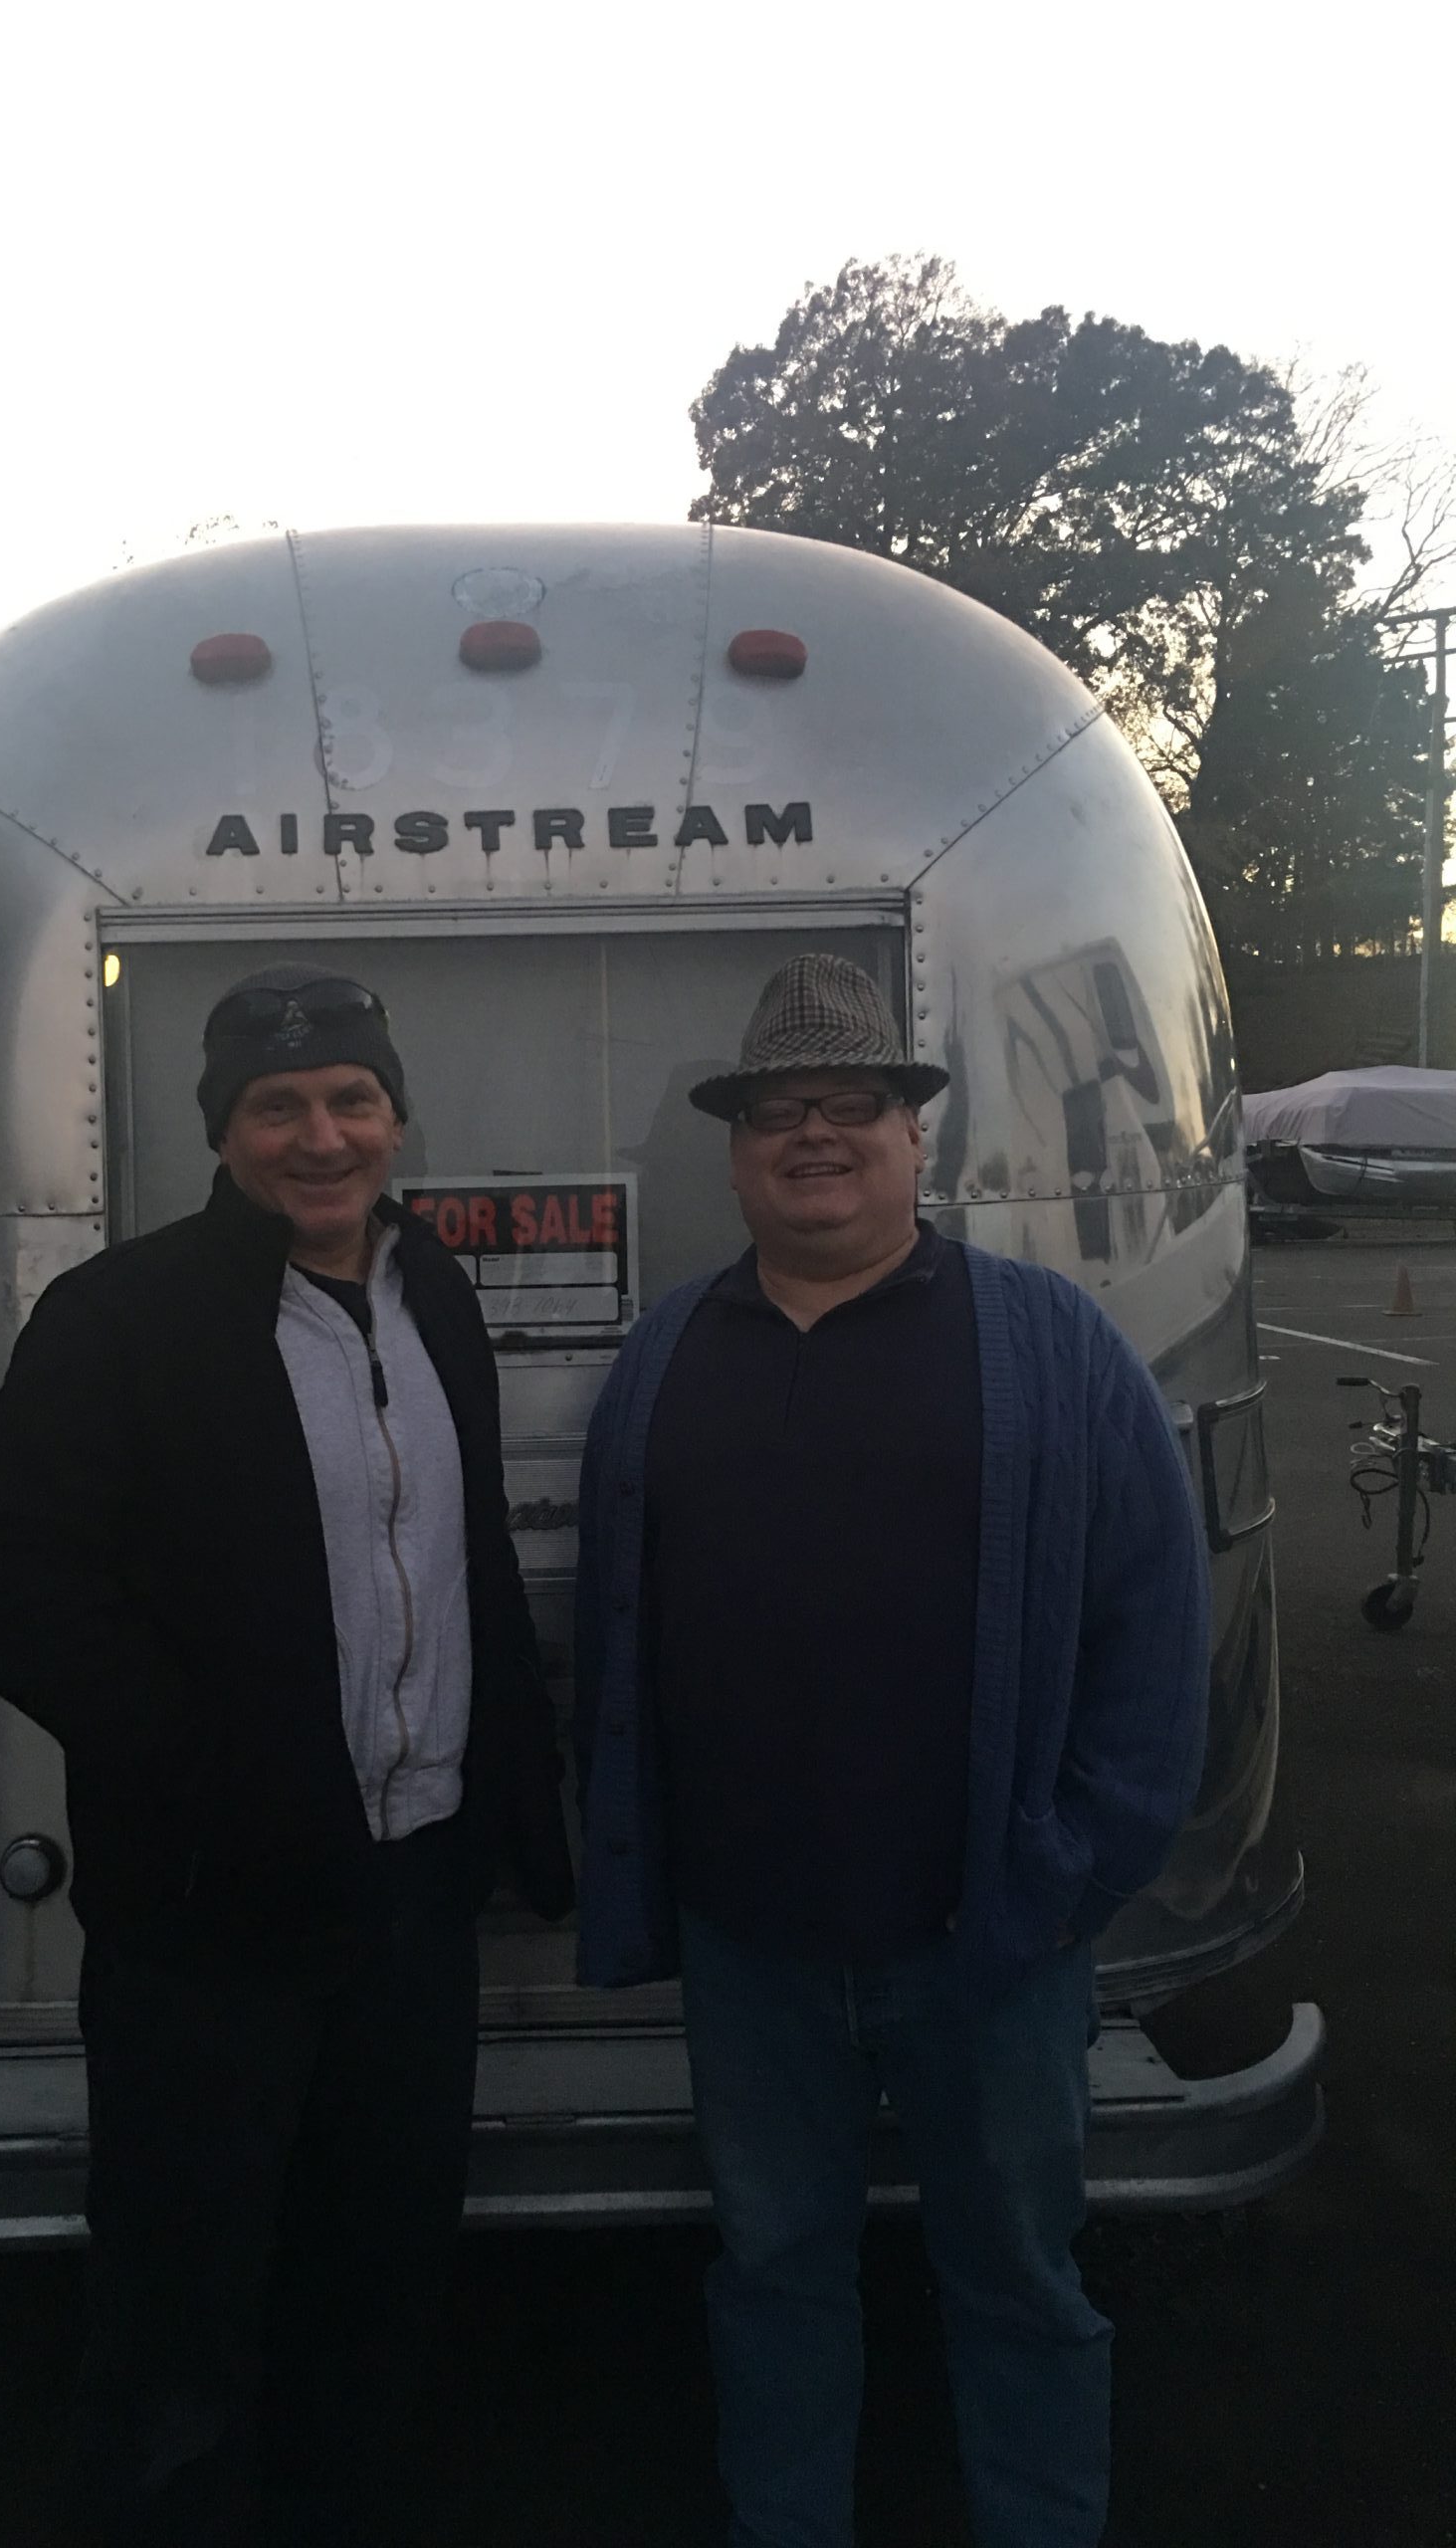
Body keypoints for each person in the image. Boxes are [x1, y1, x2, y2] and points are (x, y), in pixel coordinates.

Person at [0, 962, 572, 2548]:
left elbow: (469, 1561)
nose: (320, 1135)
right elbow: (1, 1586)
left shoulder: (435, 1298)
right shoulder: (122, 1318)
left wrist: (517, 1803)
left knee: (377, 2276)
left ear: (397, 1117)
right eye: (276, 1106)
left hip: (412, 1899)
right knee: (182, 2307)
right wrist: (209, 1769)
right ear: (221, 1133)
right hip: (208, 1917)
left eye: (352, 1098)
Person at [572, 952, 1207, 2548]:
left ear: (915, 1138)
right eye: (778, 1110)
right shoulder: (663, 1360)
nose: (816, 1133)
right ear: (734, 1154)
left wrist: (1072, 1875)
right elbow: (614, 1633)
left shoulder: (1053, 1346)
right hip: (750, 1947)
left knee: (1020, 2283)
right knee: (773, 2272)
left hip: (989, 1940)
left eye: (853, 1103)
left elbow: (1152, 1629)